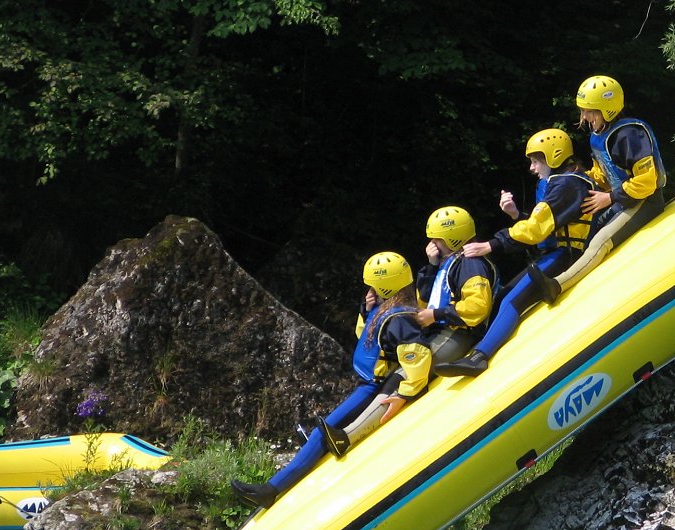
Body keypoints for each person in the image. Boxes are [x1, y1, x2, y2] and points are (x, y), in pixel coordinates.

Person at [230, 252, 432, 508]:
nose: (369, 289)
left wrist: (406, 391)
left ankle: (271, 489)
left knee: (319, 434)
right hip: (365, 384)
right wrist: (367, 309)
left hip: (373, 388)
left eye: (372, 285)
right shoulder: (387, 309)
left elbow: (418, 357)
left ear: (384, 285)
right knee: (320, 432)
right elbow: (366, 336)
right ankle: (288, 473)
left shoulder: (399, 320)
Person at [433, 128, 597, 377]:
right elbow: (542, 229)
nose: (532, 168)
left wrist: (492, 245)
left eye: (535, 161)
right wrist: (514, 215)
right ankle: (480, 349)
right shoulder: (560, 183)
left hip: (567, 255)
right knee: (503, 297)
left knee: (511, 301)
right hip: (555, 252)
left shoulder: (568, 185)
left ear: (554, 156)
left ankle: (479, 357)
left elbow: (535, 229)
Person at [530, 75, 667, 301]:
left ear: (608, 109)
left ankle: (557, 286)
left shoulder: (629, 135)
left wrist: (610, 198)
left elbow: (647, 181)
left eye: (589, 111)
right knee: (588, 231)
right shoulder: (599, 135)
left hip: (646, 200)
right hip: (624, 199)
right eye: (583, 110)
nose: (584, 117)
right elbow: (603, 174)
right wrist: (577, 179)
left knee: (599, 240)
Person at [417, 206, 496, 365]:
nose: (432, 243)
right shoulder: (446, 264)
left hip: (460, 333)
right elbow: (424, 302)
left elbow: (478, 306)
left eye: (436, 239)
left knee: (412, 369)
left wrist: (435, 315)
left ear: (453, 238)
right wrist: (432, 266)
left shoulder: (470, 264)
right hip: (442, 330)